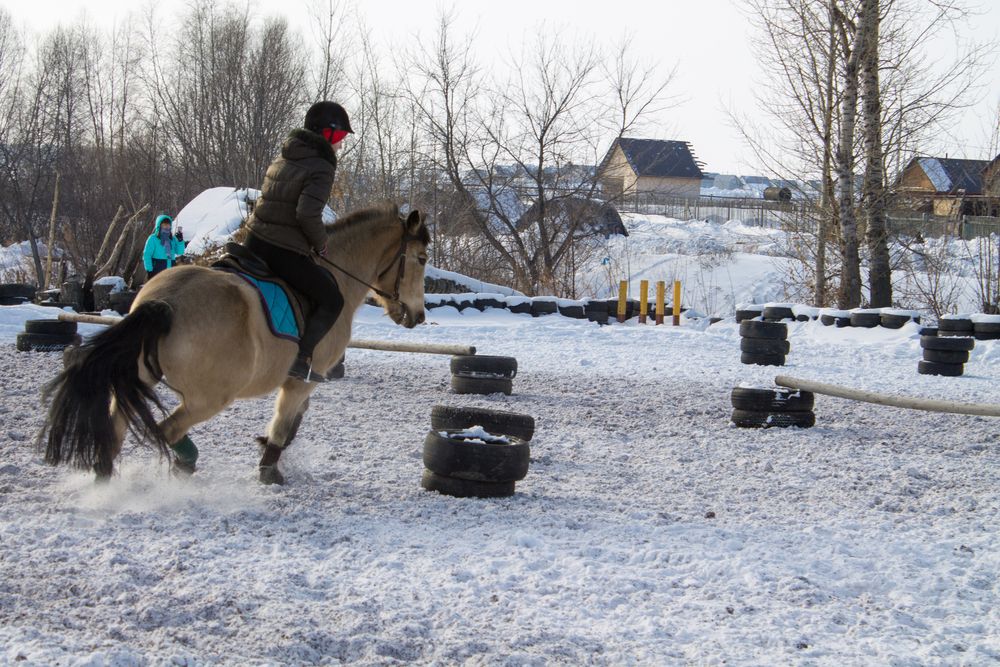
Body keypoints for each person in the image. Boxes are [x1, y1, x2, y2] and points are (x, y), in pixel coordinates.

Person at [243, 101, 354, 382]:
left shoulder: (286, 156)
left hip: (254, 241)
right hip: (281, 249)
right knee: (332, 299)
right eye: (339, 138)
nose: (340, 146)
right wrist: (320, 244)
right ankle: (301, 358)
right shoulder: (321, 166)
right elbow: (306, 213)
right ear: (326, 134)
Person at [143, 214, 187, 280]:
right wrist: (149, 270)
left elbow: (180, 252)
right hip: (157, 270)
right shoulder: (153, 238)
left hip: (171, 269)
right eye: (164, 225)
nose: (167, 227)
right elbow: (147, 255)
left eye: (168, 225)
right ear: (159, 226)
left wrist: (180, 241)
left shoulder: (172, 239)